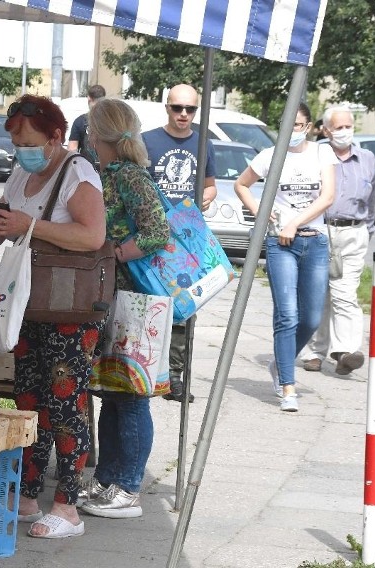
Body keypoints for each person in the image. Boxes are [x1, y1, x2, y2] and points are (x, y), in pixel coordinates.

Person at [0, 94, 106, 539]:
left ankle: (68, 506)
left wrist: (26, 226)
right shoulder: (20, 173)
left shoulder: (77, 173)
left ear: (55, 137)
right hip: (27, 304)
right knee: (28, 397)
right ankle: (27, 495)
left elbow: (92, 236)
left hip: (69, 308)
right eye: (15, 144)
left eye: (28, 142)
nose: (21, 152)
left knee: (66, 402)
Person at [77, 98, 169, 518]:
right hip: (112, 299)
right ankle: (107, 480)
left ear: (101, 135)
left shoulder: (131, 176)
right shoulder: (102, 173)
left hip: (136, 302)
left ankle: (128, 485)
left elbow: (157, 232)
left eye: (92, 132)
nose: (88, 138)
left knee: (130, 395)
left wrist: (115, 254)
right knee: (111, 391)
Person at [234, 102, 337, 412]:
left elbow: (327, 196)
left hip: (314, 241)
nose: (291, 131)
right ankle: (287, 386)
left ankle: (282, 362)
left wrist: (295, 222)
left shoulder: (321, 153)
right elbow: (242, 185)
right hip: (280, 244)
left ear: (306, 127)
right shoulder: (269, 156)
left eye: (297, 125)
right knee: (287, 315)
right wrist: (263, 214)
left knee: (311, 317)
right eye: (286, 125)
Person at [141, 84, 217, 403]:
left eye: (190, 109)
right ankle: (143, 370)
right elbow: (139, 188)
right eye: (178, 108)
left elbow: (210, 187)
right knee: (151, 304)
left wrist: (203, 201)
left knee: (186, 306)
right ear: (167, 108)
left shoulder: (203, 143)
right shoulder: (148, 141)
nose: (184, 114)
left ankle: (175, 377)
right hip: (156, 236)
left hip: (189, 239)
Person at [300, 107, 375, 375]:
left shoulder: (367, 158)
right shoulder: (316, 154)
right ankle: (314, 352)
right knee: (318, 293)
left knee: (345, 293)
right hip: (321, 230)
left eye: (349, 126)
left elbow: (370, 199)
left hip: (354, 232)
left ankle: (346, 351)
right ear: (327, 130)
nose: (345, 131)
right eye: (339, 127)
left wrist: (368, 228)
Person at [68, 85, 106, 169]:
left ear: (89, 98)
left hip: (87, 170)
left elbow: (72, 150)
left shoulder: (80, 121)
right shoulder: (113, 120)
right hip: (111, 170)